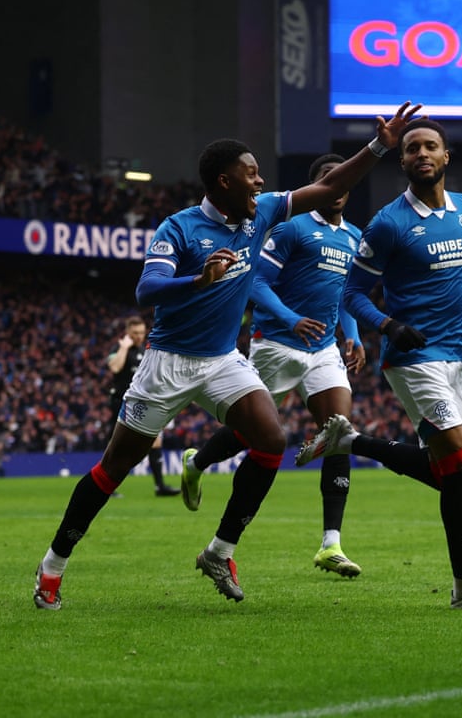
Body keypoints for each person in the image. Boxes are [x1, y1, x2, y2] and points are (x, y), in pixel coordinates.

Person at [31, 101, 421, 610]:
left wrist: (377, 147)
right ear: (223, 181)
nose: (261, 182)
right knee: (114, 468)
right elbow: (147, 290)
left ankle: (220, 551)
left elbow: (328, 187)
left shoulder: (263, 214)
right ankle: (53, 565)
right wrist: (198, 279)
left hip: (222, 360)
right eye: (251, 174)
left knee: (271, 440)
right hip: (168, 363)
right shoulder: (179, 228)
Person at [298, 118, 462, 612]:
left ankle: (350, 441)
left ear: (446, 156)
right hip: (412, 359)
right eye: (412, 148)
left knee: (450, 475)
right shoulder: (388, 223)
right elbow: (352, 294)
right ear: (403, 160)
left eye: (431, 146)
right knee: (460, 464)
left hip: (453, 359)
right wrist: (388, 326)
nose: (422, 154)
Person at [181, 153, 368, 578]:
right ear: (317, 185)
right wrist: (290, 318)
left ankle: (331, 544)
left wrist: (353, 335)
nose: (337, 185)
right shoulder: (291, 227)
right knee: (254, 431)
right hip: (276, 344)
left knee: (339, 431)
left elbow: (345, 295)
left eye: (342, 179)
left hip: (323, 350)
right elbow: (256, 281)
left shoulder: (353, 237)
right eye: (328, 178)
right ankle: (197, 462)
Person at [107, 315, 180, 496]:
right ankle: (107, 486)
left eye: (141, 332)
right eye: (135, 333)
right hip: (120, 402)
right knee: (117, 445)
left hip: (142, 402)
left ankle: (160, 486)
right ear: (127, 332)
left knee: (155, 441)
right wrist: (124, 347)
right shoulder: (119, 348)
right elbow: (115, 367)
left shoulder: (145, 350)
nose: (139, 336)